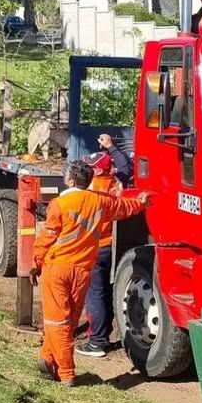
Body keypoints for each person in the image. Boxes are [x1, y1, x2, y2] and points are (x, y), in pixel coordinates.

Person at [31, 159, 151, 386]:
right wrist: (141, 202)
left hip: (57, 268)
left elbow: (46, 239)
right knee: (67, 321)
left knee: (57, 322)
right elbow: (124, 207)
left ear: (69, 180)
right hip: (83, 270)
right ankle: (47, 359)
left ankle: (66, 372)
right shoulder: (100, 201)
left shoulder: (58, 205)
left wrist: (36, 263)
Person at [75, 151, 123, 359]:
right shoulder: (116, 184)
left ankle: (96, 341)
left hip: (96, 246)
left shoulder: (92, 190)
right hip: (113, 246)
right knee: (106, 291)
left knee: (95, 294)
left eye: (90, 166)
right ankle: (103, 333)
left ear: (97, 169)